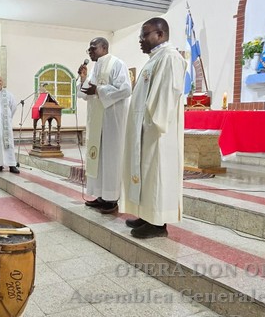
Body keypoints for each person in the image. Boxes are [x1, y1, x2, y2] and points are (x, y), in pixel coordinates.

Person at [123, 18, 187, 238]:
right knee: (147, 174)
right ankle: (146, 215)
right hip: (145, 129)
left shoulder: (170, 58)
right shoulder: (155, 58)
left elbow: (167, 94)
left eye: (145, 34)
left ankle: (158, 224)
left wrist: (150, 123)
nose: (141, 40)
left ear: (160, 35)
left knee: (157, 173)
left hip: (158, 131)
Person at [77, 37, 132, 214]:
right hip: (97, 123)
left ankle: (112, 199)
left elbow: (125, 89)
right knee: (98, 159)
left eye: (93, 48)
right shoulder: (96, 67)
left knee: (111, 158)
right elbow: (86, 93)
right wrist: (83, 78)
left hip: (111, 121)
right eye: (89, 49)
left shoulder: (117, 64)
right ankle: (101, 195)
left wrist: (99, 90)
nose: (90, 51)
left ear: (104, 47)